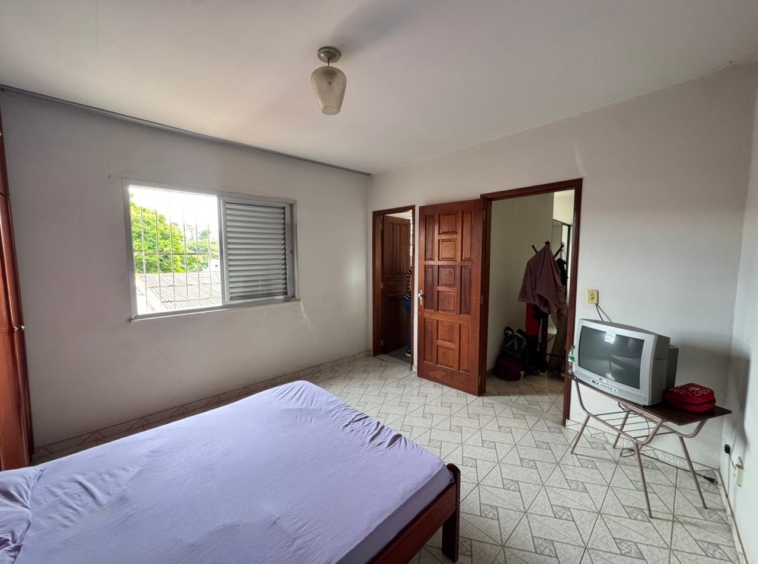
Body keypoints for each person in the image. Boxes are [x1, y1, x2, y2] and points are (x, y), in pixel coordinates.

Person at [401, 267, 412, 357]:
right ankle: (409, 350)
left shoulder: (413, 269)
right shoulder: (413, 270)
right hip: (409, 300)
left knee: (413, 324)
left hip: (409, 300)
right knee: (413, 324)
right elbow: (411, 287)